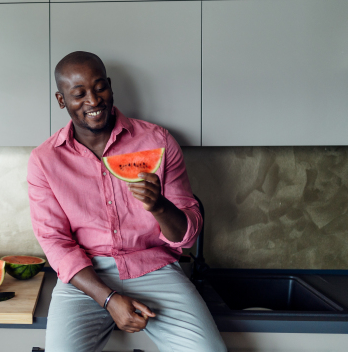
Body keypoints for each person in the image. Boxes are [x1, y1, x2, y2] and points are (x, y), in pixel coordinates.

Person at [27, 51, 226, 352]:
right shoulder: (44, 160)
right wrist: (107, 298)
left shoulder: (158, 141)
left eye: (99, 87)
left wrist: (160, 206)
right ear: (61, 100)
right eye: (79, 94)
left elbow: (188, 233)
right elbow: (55, 241)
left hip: (155, 269)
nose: (93, 101)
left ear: (110, 86)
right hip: (85, 277)